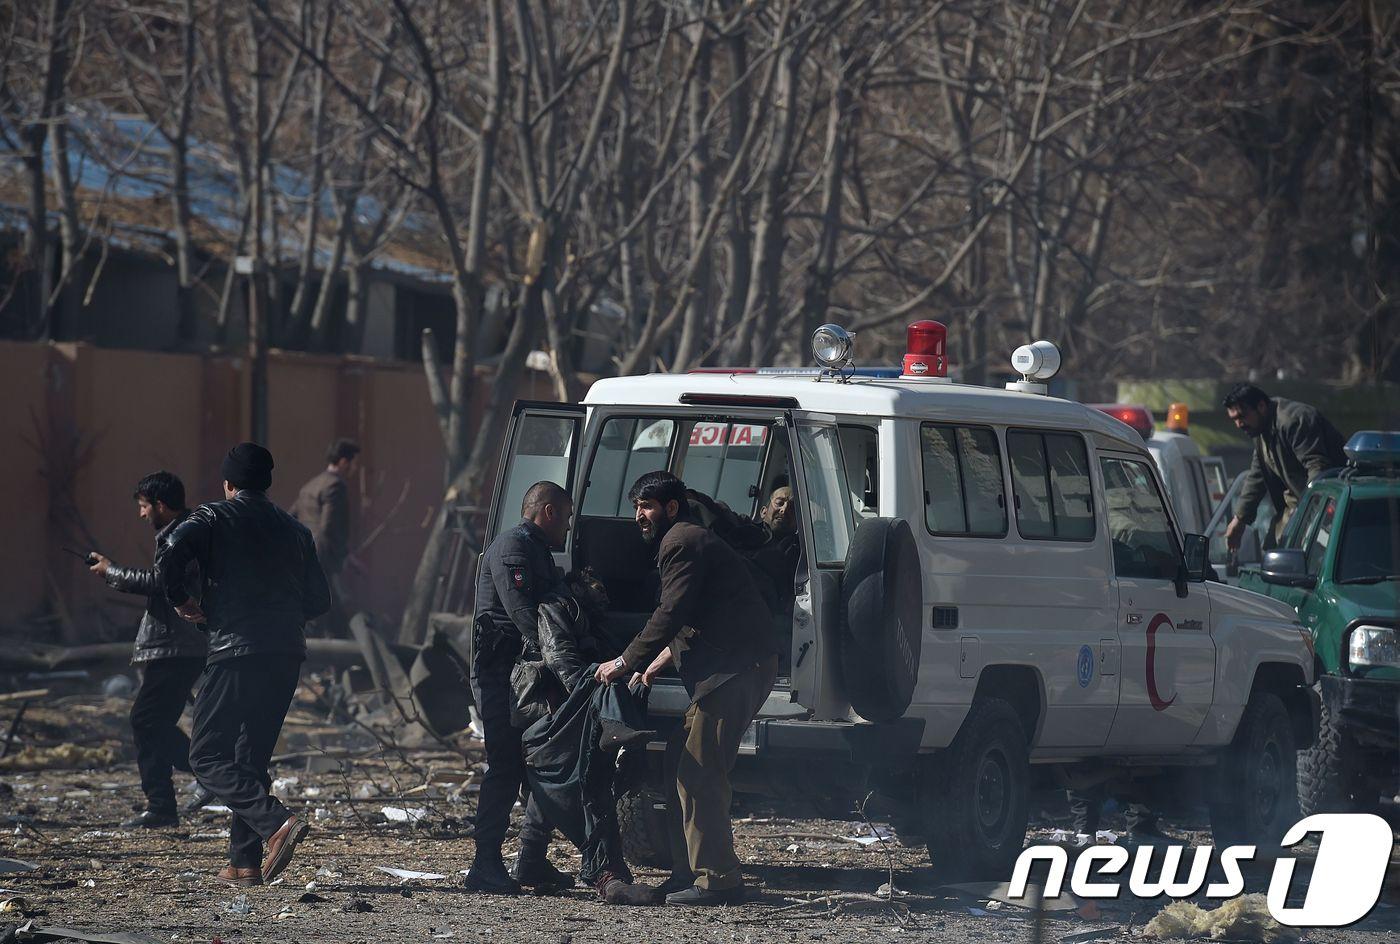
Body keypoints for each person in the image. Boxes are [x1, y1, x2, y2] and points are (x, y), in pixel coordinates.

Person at [595, 471, 779, 906]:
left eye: (647, 506)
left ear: (671, 507)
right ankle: (688, 872)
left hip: (735, 668)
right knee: (681, 759)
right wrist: (661, 661)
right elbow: (698, 609)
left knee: (700, 771)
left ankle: (718, 881)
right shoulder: (685, 539)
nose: (639, 515)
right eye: (637, 506)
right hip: (727, 666)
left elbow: (672, 610)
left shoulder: (679, 541)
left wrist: (625, 661)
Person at [157, 443, 330, 888]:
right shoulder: (296, 530)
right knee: (249, 758)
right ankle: (244, 863)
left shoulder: (212, 517)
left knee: (206, 755)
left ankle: (276, 823)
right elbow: (319, 600)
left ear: (228, 483)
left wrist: (181, 600)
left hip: (235, 649)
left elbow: (168, 551)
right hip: (287, 653)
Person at [519, 570, 657, 906]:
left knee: (552, 783)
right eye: (599, 588)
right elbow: (561, 661)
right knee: (585, 783)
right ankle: (605, 874)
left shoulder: (592, 619)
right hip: (557, 708)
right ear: (579, 584)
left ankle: (530, 862)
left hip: (570, 710)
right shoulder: (558, 607)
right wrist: (590, 693)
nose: (606, 596)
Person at [465, 481, 574, 896]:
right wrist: (566, 662)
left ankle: (530, 860)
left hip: (523, 676)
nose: (566, 527)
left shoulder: (535, 549)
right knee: (505, 766)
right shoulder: (513, 546)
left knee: (539, 765)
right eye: (563, 517)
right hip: (501, 676)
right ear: (547, 512)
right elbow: (524, 613)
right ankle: (485, 865)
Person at [87, 471, 211, 828]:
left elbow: (161, 581)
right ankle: (169, 801)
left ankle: (196, 782)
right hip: (178, 645)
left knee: (145, 721)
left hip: (176, 646)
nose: (141, 515)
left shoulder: (180, 535)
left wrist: (113, 572)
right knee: (153, 723)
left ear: (159, 505)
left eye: (144, 507)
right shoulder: (181, 531)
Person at [1223, 384, 1347, 551]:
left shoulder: (1294, 420)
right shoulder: (1259, 429)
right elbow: (1257, 474)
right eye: (1234, 419)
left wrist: (1316, 513)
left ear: (1261, 406)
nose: (1239, 424)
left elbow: (1317, 466)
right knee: (1272, 554)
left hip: (1327, 505)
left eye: (1242, 416)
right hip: (1297, 506)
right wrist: (1239, 519)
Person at [291, 439, 360, 636]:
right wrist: (343, 556)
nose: (355, 468)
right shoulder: (335, 486)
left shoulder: (310, 486)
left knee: (318, 612)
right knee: (332, 613)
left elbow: (291, 517)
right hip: (323, 558)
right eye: (355, 463)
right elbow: (329, 527)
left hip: (302, 556)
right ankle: (335, 663)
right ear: (344, 462)